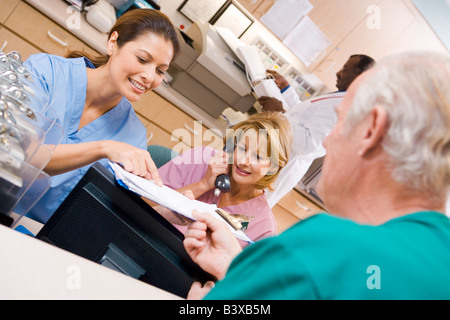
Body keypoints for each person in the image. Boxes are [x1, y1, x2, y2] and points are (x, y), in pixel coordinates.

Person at [184, 51, 450, 299]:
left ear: (371, 130)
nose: (326, 143)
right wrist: (241, 272)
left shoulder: (326, 247)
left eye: (342, 120)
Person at [23, 9, 180, 223]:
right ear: (113, 43)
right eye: (142, 59)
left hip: (41, 235)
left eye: (160, 71)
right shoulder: (45, 72)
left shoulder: (134, 136)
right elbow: (24, 154)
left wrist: (165, 213)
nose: (149, 77)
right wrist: (103, 148)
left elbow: (108, 209)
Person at [157, 112, 293, 246]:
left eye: (258, 157)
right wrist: (203, 184)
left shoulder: (263, 227)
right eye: (242, 148)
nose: (243, 161)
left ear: (274, 167)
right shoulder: (200, 157)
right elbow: (141, 200)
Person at [261, 55, 375, 208]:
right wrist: (286, 89)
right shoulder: (340, 98)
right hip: (277, 159)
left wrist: (278, 115)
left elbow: (308, 144)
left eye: (345, 69)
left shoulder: (344, 107)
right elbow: (303, 117)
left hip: (282, 165)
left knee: (243, 212)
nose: (338, 72)